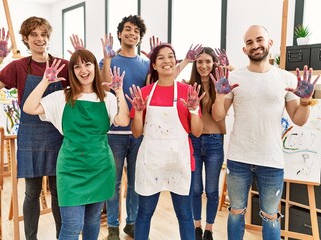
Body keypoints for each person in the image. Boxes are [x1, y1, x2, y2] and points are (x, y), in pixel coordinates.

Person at [211, 25, 319, 240]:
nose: (255, 45)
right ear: (244, 49)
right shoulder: (234, 78)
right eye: (249, 42)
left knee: (271, 216)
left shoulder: (286, 78)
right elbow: (217, 116)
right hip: (238, 158)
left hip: (271, 160)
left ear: (270, 43)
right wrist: (220, 96)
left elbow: (298, 119)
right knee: (235, 212)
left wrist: (306, 102)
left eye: (259, 40)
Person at [0, 17, 69, 239]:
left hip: (59, 135)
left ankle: (63, 236)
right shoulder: (18, 67)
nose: (40, 39)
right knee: (32, 192)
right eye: (34, 35)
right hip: (31, 135)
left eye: (43, 34)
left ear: (49, 37)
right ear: (26, 39)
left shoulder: (62, 65)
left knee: (59, 192)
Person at [23, 46, 130, 240]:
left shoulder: (107, 98)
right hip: (71, 169)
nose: (83, 70)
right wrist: (45, 81)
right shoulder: (63, 97)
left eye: (88, 64)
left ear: (94, 68)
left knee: (92, 221)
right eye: (77, 66)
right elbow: (29, 107)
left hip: (100, 167)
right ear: (72, 72)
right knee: (72, 226)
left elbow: (123, 121)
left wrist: (120, 92)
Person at [126, 43, 205, 240]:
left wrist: (194, 110)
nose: (167, 61)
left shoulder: (188, 92)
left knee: (185, 215)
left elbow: (196, 132)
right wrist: (137, 112)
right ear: (153, 65)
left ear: (175, 61)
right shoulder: (144, 93)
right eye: (161, 57)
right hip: (151, 162)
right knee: (144, 214)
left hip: (180, 162)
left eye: (170, 56)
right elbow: (136, 133)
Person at [99, 15, 149, 240]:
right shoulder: (109, 60)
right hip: (114, 133)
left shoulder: (147, 64)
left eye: (137, 30)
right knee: (114, 182)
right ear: (119, 34)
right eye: (128, 29)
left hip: (139, 133)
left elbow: (152, 92)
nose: (132, 33)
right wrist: (107, 59)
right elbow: (101, 85)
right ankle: (112, 227)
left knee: (137, 182)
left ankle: (131, 223)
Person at [186, 47, 225, 240]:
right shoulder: (188, 86)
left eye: (208, 61)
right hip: (193, 140)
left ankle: (209, 228)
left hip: (214, 141)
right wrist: (185, 60)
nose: (203, 65)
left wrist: (225, 66)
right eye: (199, 61)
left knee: (211, 189)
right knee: (194, 189)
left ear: (214, 63)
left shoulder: (221, 85)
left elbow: (241, 76)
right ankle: (197, 226)